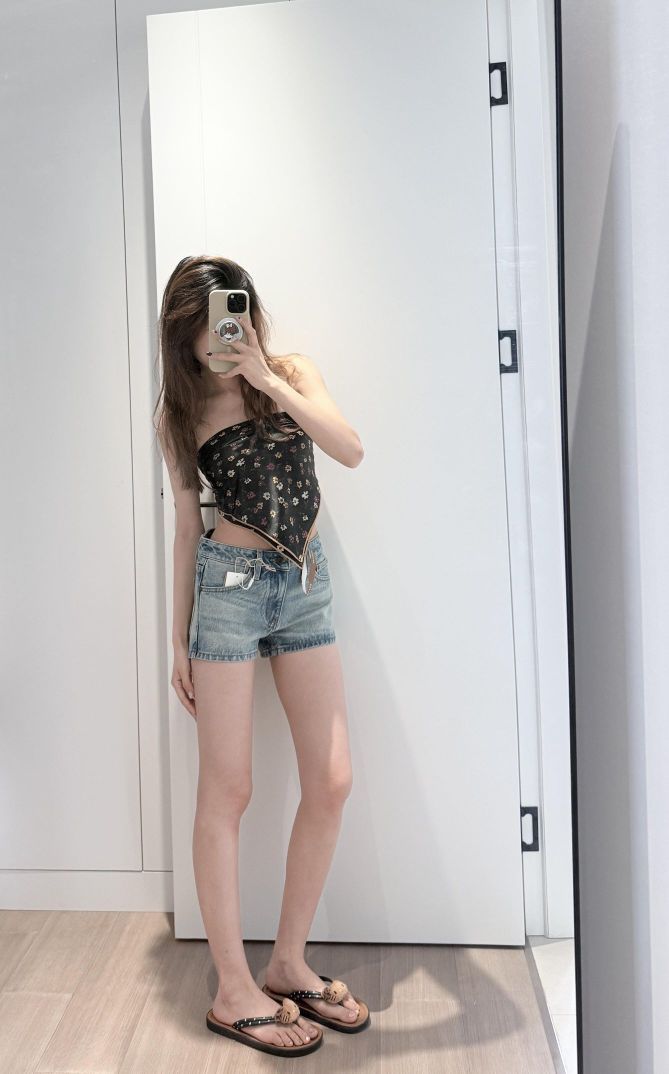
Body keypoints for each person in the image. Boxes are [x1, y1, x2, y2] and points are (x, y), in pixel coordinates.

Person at [155, 255, 370, 1056]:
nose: (218, 335)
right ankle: (231, 989)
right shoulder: (179, 413)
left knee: (332, 778)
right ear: (182, 335)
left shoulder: (291, 372)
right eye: (200, 326)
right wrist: (176, 637)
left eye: (229, 314)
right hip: (229, 590)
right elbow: (188, 527)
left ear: (247, 312)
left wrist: (264, 378)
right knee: (229, 788)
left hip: (305, 584)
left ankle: (286, 962)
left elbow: (348, 449)